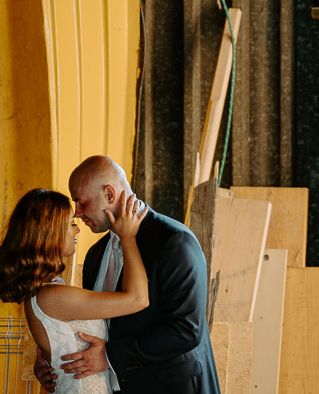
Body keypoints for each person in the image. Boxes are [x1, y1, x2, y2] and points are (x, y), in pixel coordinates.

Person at [34, 156, 220, 393]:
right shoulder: (95, 255)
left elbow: (187, 330)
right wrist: (54, 365)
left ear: (109, 194)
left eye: (82, 203)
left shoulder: (175, 242)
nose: (77, 214)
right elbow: (96, 328)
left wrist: (110, 356)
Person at [0, 188, 150, 394]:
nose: (77, 230)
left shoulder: (48, 291)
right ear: (51, 232)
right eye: (72, 223)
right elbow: (138, 299)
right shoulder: (53, 296)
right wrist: (128, 238)